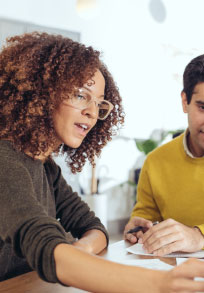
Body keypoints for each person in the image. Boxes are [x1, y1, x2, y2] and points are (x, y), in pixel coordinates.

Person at [1, 32, 204, 293]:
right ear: (42, 91)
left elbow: (93, 227)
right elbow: (47, 249)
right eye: (80, 95)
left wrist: (80, 250)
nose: (92, 113)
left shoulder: (46, 168)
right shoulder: (5, 161)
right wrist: (161, 283)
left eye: (99, 104)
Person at [124, 54, 204, 258]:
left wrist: (198, 236)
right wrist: (140, 229)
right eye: (203, 107)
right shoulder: (156, 162)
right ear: (185, 101)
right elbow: (145, 217)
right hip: (175, 279)